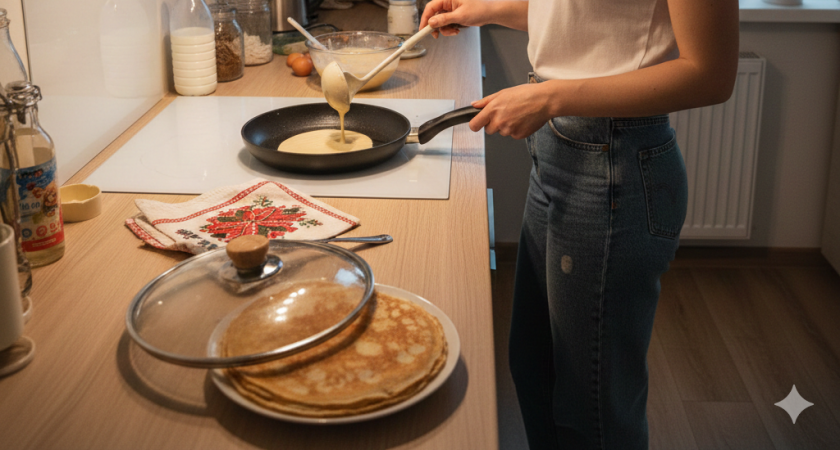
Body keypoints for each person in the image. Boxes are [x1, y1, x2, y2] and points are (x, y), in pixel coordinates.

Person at [420, 1, 738, 449]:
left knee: (589, 408)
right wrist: (483, 9)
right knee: (535, 370)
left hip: (612, 165)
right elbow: (580, 16)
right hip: (556, 152)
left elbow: (711, 73)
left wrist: (551, 97)